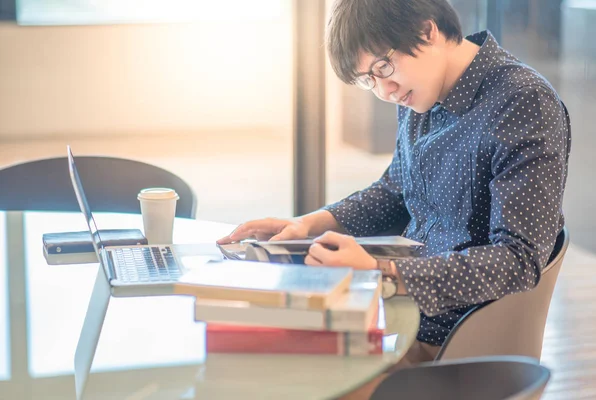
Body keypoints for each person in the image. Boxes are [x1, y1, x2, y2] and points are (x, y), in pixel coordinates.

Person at [218, 0, 571, 398]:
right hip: (397, 314)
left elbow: (518, 260)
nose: (384, 91)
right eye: (368, 80)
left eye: (383, 68)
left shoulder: (523, 103)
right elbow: (394, 190)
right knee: (251, 352)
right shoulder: (421, 92)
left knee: (291, 382)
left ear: (427, 31)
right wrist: (308, 224)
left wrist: (380, 271)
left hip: (453, 341)